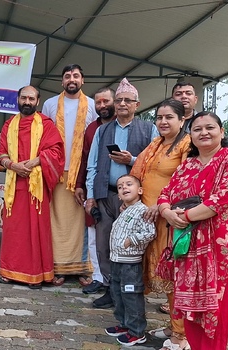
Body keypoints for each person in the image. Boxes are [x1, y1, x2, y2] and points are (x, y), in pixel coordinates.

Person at [156, 112, 228, 349]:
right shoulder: (188, 164)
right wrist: (167, 213)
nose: (204, 133)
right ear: (191, 135)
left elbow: (224, 199)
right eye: (197, 129)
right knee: (189, 305)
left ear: (222, 131)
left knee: (214, 305)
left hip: (217, 245)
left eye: (210, 128)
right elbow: (166, 193)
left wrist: (185, 216)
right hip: (186, 243)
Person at [85, 78, 158, 309]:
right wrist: (90, 195)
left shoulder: (149, 129)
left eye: (128, 100)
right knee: (105, 244)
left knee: (132, 246)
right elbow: (92, 164)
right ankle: (109, 288)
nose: (122, 104)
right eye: (119, 100)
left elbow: (155, 162)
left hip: (135, 199)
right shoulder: (103, 130)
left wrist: (132, 160)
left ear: (137, 105)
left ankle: (132, 290)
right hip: (106, 195)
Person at [130, 99, 191, 349]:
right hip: (149, 220)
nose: (163, 122)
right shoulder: (156, 144)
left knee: (175, 276)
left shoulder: (187, 144)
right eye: (159, 117)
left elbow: (186, 180)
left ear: (182, 120)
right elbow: (138, 172)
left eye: (169, 117)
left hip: (170, 220)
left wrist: (163, 204)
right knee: (164, 275)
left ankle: (181, 336)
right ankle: (174, 327)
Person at [0, 86, 64, 289]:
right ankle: (9, 271)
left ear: (37, 101)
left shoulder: (46, 124)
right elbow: (2, 154)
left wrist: (33, 163)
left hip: (37, 186)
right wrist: (13, 165)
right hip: (14, 186)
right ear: (18, 99)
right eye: (24, 98)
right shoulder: (9, 125)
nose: (27, 102)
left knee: (37, 229)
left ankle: (36, 274)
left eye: (31, 98)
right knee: (13, 230)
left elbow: (56, 152)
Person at [41, 64, 98, 287]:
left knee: (82, 220)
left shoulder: (93, 105)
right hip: (56, 171)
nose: (71, 79)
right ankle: (59, 267)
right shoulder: (50, 104)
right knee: (57, 219)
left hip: (82, 171)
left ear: (82, 80)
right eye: (67, 76)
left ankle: (83, 268)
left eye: (75, 76)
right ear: (62, 82)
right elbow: (44, 135)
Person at [103, 175, 156, 347]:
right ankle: (124, 324)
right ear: (118, 195)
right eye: (120, 187)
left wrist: (131, 240)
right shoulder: (124, 211)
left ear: (139, 191)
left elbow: (150, 232)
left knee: (131, 297)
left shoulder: (142, 210)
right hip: (117, 261)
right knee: (117, 294)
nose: (124, 188)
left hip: (130, 264)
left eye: (128, 184)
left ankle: (137, 331)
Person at [80, 87, 116, 295]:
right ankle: (98, 277)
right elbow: (86, 160)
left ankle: (117, 281)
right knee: (94, 233)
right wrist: (80, 186)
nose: (102, 106)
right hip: (95, 189)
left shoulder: (135, 127)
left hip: (124, 192)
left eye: (106, 101)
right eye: (98, 103)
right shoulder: (92, 129)